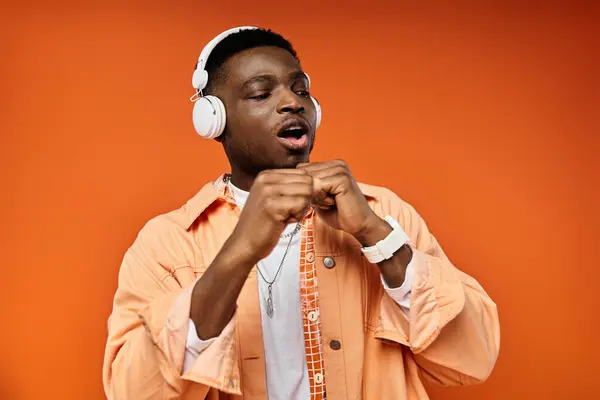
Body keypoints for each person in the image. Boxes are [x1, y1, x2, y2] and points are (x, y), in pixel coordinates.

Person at [102, 26, 500, 399]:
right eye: (261, 94)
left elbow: (473, 359)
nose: (292, 102)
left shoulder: (384, 214)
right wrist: (239, 250)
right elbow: (134, 390)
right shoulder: (168, 241)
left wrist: (374, 234)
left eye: (301, 90)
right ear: (214, 120)